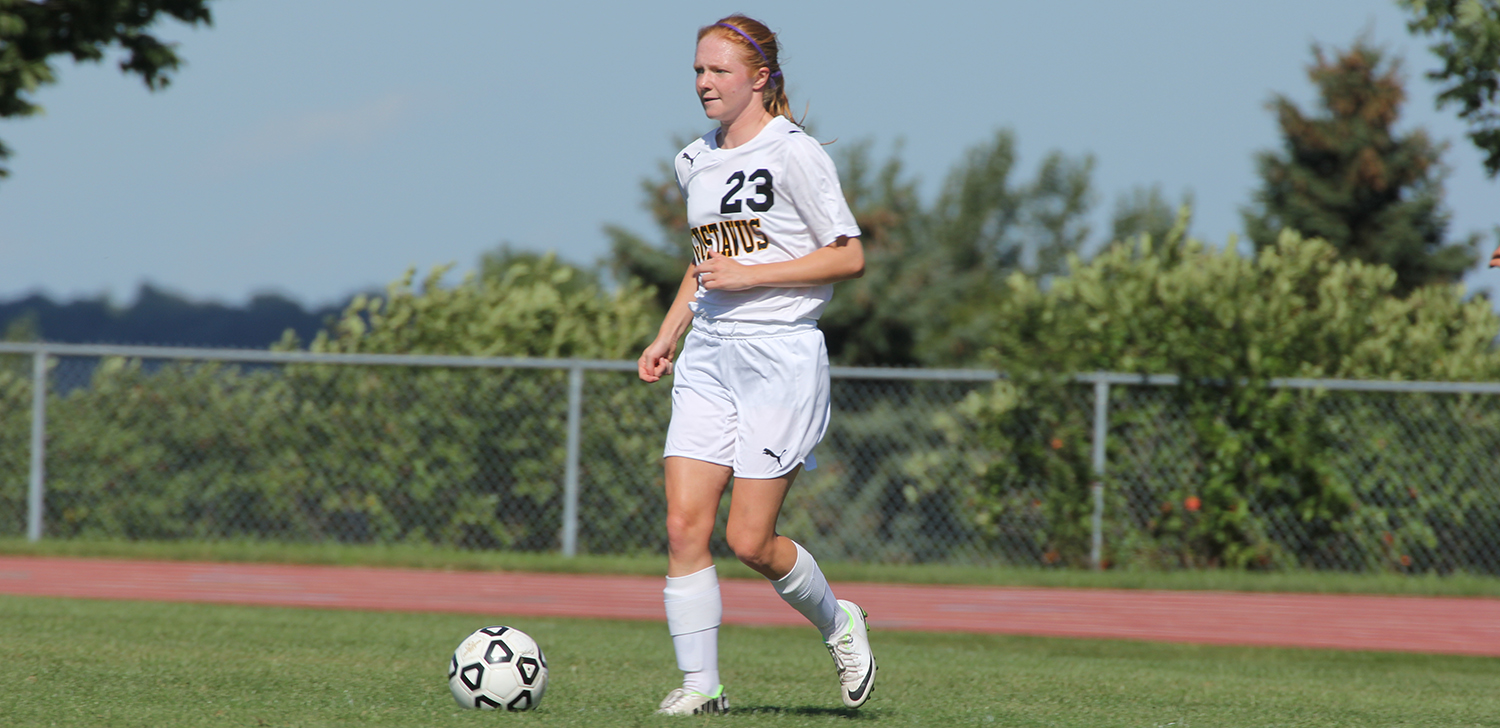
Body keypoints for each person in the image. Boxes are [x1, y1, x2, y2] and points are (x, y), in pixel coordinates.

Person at [636, 14, 875, 717]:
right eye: (698, 73)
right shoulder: (694, 160)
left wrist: (756, 278)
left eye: (718, 72)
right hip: (709, 355)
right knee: (684, 525)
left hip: (780, 357)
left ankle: (840, 622)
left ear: (760, 78)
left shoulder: (795, 153)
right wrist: (668, 332)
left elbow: (849, 254)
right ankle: (701, 687)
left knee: (749, 540)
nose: (704, 84)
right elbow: (705, 264)